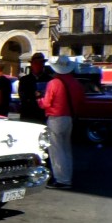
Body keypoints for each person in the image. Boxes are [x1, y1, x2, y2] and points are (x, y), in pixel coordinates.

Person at [38, 55, 86, 189]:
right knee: (66, 149)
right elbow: (81, 101)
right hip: (69, 117)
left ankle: (61, 179)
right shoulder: (76, 83)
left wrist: (38, 100)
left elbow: (46, 103)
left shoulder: (53, 83)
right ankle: (67, 177)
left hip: (56, 118)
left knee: (56, 150)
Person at [17, 52, 50, 123]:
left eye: (41, 63)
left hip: (43, 115)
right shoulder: (24, 80)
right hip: (28, 114)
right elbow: (22, 96)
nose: (38, 65)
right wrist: (34, 95)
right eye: (36, 63)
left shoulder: (49, 80)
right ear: (32, 65)